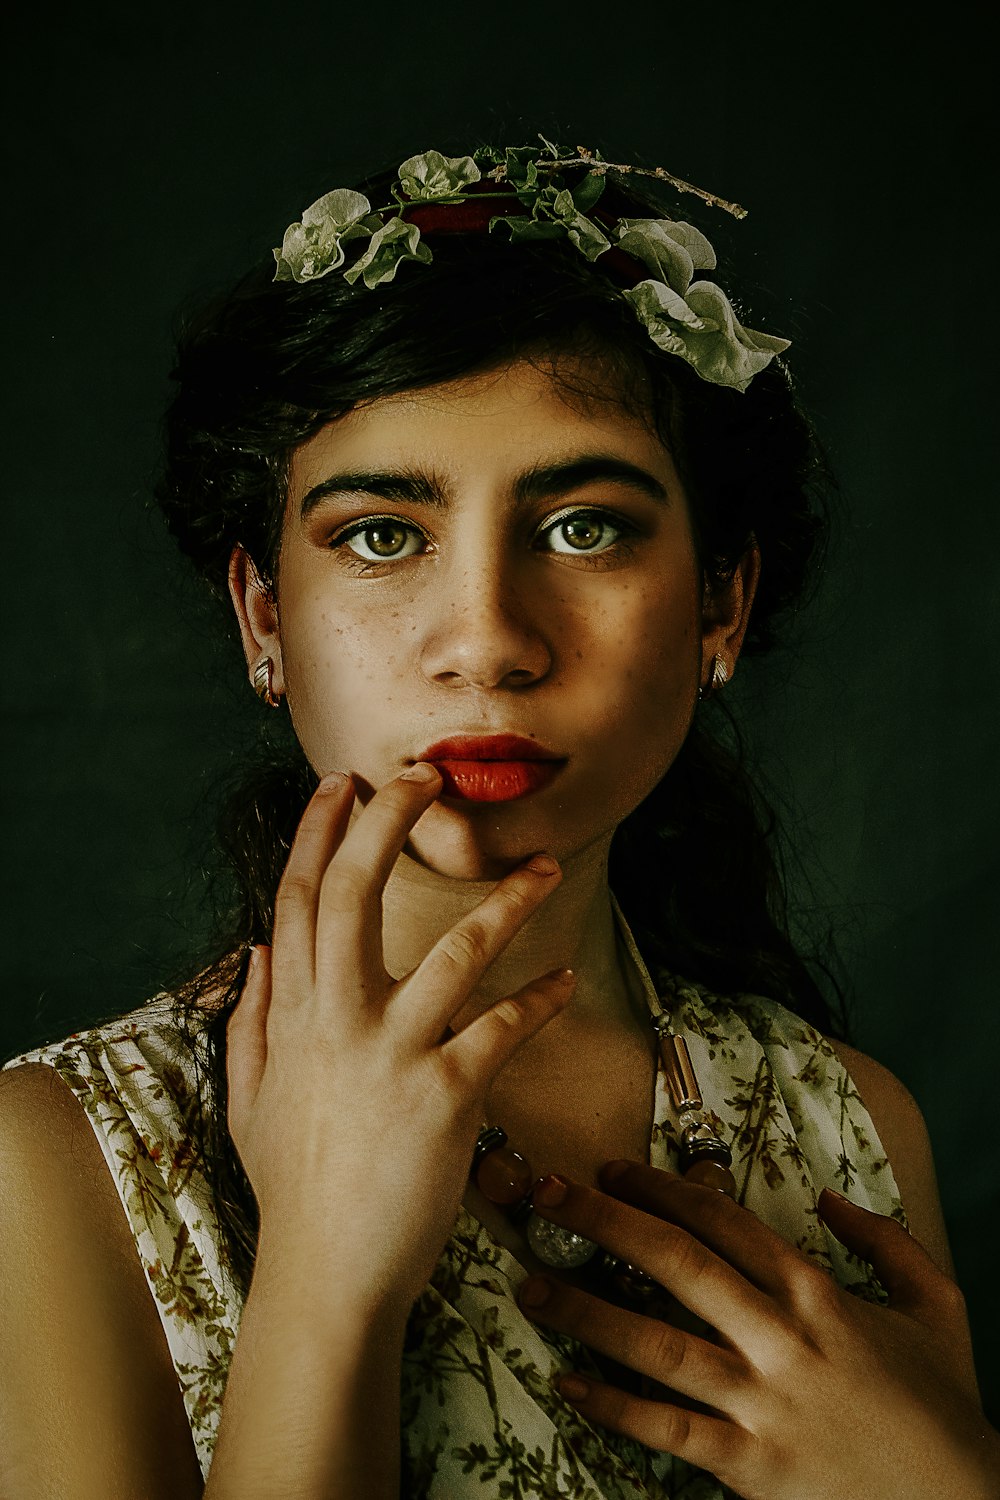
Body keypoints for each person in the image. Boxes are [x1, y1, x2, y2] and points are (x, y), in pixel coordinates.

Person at [0, 139, 996, 1500]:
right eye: (381, 535)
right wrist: (327, 1277)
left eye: (586, 527)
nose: (488, 642)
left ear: (721, 606)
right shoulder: (54, 1159)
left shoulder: (847, 1121)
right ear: (263, 617)